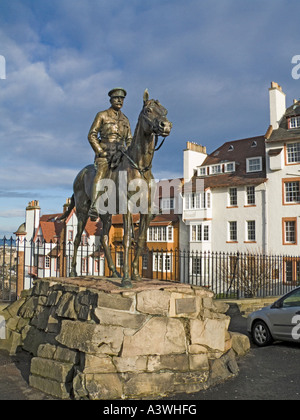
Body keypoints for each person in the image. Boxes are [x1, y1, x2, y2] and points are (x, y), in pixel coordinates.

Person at [87, 88, 132, 220]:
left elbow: (129, 138)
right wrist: (100, 151)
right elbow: (92, 135)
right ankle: (94, 206)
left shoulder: (125, 119)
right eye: (116, 98)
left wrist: (128, 149)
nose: (119, 100)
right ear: (111, 100)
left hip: (121, 154)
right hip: (106, 152)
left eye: (122, 99)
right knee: (101, 173)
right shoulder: (102, 115)